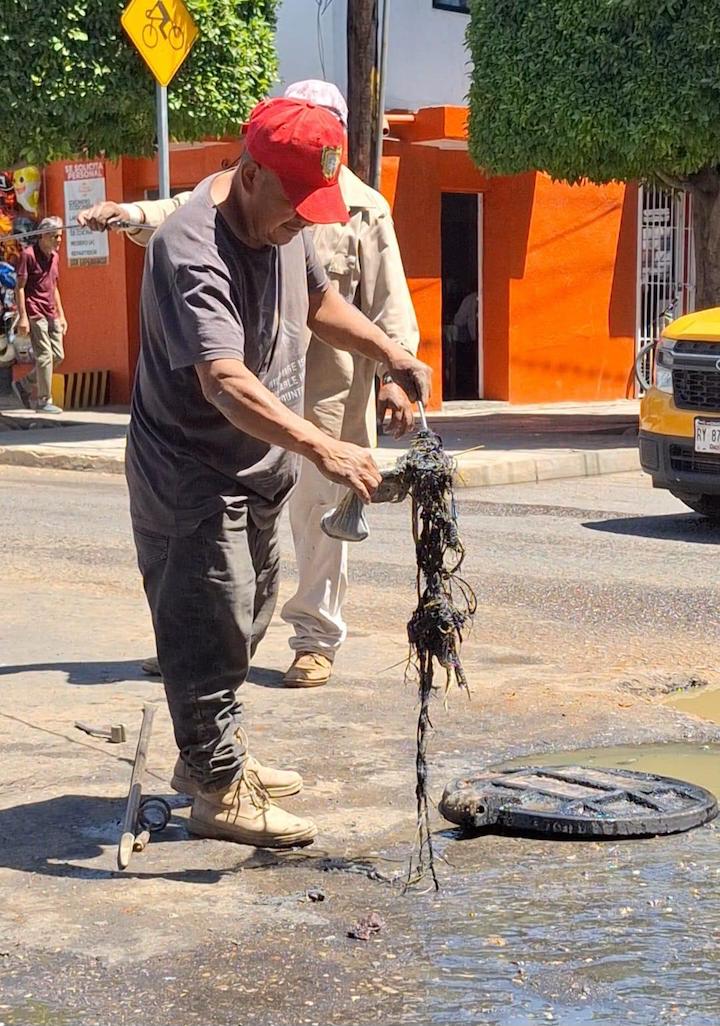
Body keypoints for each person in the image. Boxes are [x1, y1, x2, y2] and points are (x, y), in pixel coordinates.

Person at [84, 96, 431, 849]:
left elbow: (320, 301)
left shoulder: (285, 220)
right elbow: (225, 381)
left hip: (257, 465)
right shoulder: (191, 247)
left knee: (247, 617)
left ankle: (211, 757)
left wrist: (391, 353)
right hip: (192, 470)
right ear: (248, 175)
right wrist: (324, 448)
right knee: (207, 622)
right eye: (294, 207)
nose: (304, 222)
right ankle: (216, 787)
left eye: (315, 209)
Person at [13, 216, 67, 414]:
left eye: (60, 236)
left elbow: (54, 287)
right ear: (43, 236)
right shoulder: (28, 255)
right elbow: (19, 288)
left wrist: (61, 315)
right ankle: (44, 401)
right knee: (44, 356)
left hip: (51, 310)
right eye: (55, 236)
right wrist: (23, 317)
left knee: (57, 355)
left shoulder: (54, 257)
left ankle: (24, 384)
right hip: (34, 311)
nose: (59, 240)